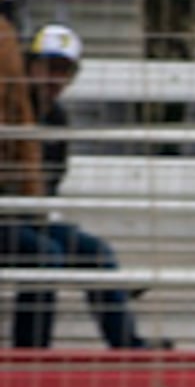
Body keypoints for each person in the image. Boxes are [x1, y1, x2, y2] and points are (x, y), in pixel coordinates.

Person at [4, 26, 164, 353]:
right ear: (29, 66)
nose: (54, 79)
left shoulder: (57, 119)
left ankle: (128, 347)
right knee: (46, 255)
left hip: (24, 217)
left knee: (95, 251)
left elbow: (49, 184)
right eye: (48, 67)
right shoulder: (9, 107)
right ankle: (31, 354)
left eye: (63, 71)